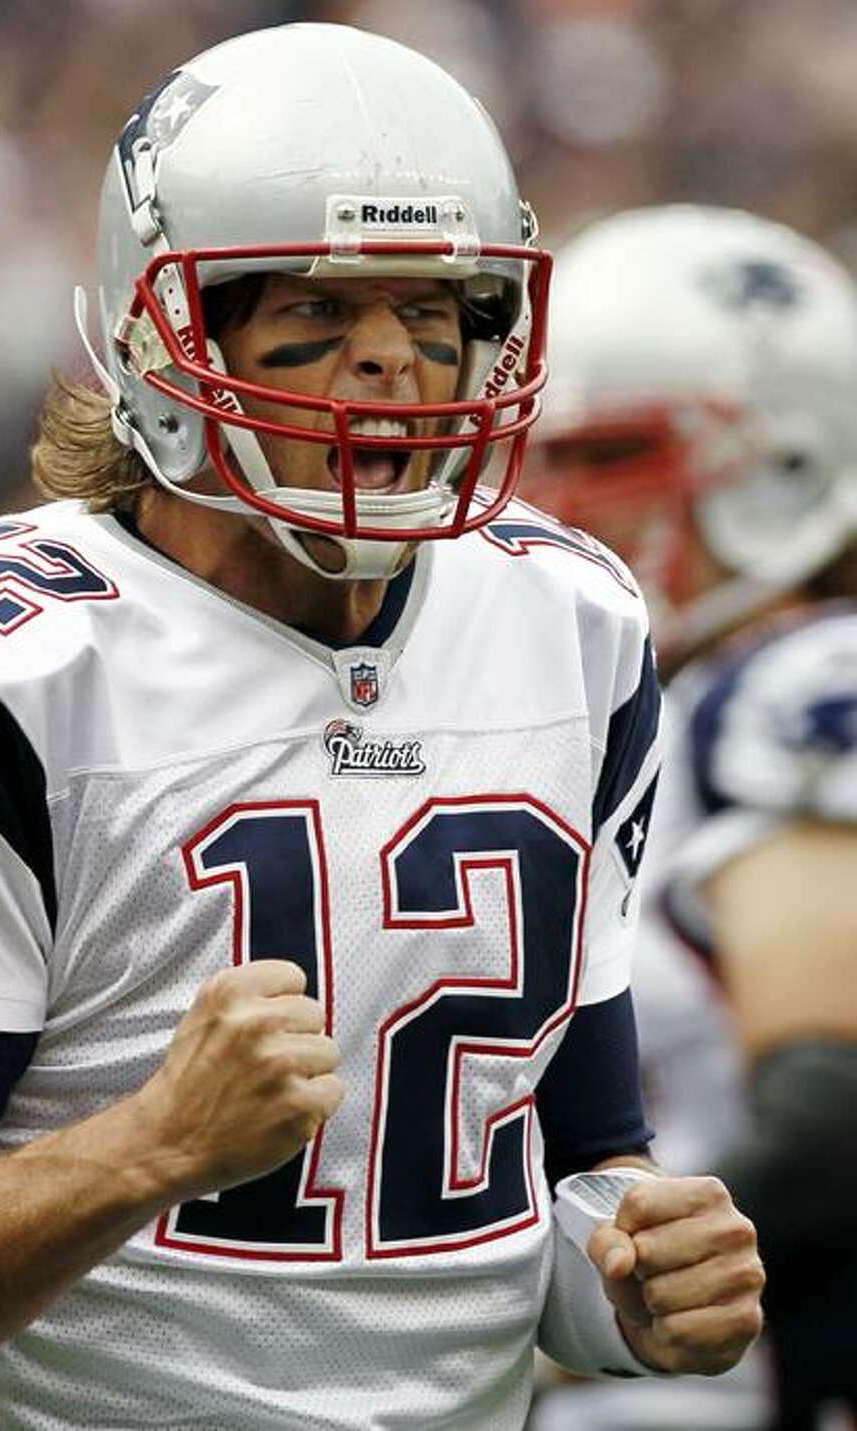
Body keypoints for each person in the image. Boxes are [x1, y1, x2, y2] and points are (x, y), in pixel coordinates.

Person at [0, 28, 763, 1431]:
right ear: (169, 333)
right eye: (318, 309)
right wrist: (148, 1145)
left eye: (435, 308)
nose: (392, 362)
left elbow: (570, 1160)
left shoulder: (572, 621)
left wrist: (630, 1277)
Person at [523, 203, 857, 1430]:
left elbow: (834, 1117)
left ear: (783, 462)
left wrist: (565, 1304)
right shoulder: (664, 709)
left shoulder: (804, 684)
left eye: (607, 455)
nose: (558, 500)